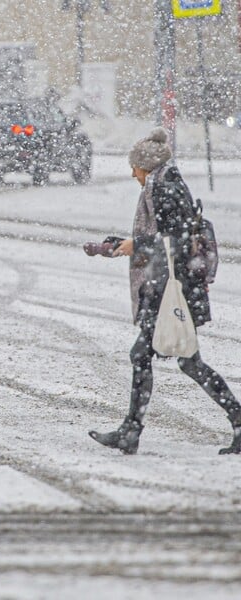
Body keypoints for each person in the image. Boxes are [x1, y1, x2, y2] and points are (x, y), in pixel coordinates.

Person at [87, 127, 241, 455]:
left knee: (148, 357)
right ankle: (134, 430)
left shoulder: (166, 188)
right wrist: (119, 246)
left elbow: (178, 241)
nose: (132, 174)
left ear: (146, 166)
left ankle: (132, 431)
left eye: (135, 168)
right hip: (173, 287)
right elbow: (165, 240)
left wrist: (137, 244)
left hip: (174, 291)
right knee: (183, 361)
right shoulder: (163, 184)